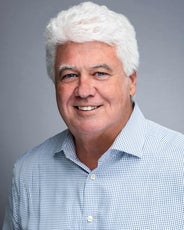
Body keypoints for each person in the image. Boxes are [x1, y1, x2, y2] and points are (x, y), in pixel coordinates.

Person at [3, 2, 184, 229]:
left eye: (100, 73)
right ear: (55, 84)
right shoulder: (27, 173)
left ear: (131, 81)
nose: (84, 90)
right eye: (69, 75)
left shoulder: (180, 164)